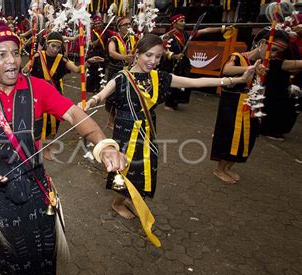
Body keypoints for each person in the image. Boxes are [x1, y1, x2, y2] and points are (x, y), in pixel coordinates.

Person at [0, 19, 126, 275]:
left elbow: (73, 114)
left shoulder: (38, 88)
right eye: (1, 54)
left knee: (45, 237)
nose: (12, 61)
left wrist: (103, 144)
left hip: (36, 182)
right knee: (4, 242)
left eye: (15, 52)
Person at [84, 34, 255, 219]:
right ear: (137, 53)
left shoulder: (161, 78)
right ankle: (117, 202)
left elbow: (195, 82)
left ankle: (131, 198)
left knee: (144, 169)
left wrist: (235, 80)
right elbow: (101, 95)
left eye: (158, 57)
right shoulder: (122, 77)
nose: (153, 61)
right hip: (125, 134)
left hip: (147, 132)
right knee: (125, 169)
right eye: (148, 55)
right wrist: (90, 101)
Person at [211, 30, 296, 183]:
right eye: (274, 49)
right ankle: (219, 169)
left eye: (279, 52)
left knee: (247, 139)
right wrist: (250, 69)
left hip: (252, 107)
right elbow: (226, 70)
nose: (275, 54)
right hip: (233, 107)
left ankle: (228, 168)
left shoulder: (265, 65)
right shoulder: (238, 57)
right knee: (231, 137)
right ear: (262, 44)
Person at [24, 31, 104, 160]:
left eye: (58, 47)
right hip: (37, 94)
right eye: (53, 46)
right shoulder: (38, 56)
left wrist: (88, 62)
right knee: (39, 121)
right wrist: (27, 68)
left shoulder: (61, 59)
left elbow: (77, 69)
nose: (55, 49)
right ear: (47, 44)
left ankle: (47, 145)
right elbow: (25, 70)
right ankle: (41, 147)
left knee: (54, 121)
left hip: (54, 94)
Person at [161, 14, 231, 110]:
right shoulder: (168, 36)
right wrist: (173, 56)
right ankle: (168, 103)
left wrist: (223, 28)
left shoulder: (186, 34)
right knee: (172, 81)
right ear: (174, 23)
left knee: (184, 81)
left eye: (184, 21)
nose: (184, 23)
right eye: (181, 21)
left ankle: (176, 101)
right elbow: (162, 50)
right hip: (171, 63)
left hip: (183, 62)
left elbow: (205, 30)